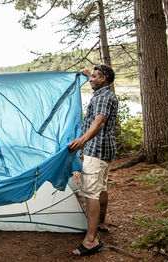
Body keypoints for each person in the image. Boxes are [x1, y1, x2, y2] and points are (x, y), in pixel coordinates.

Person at [68, 65, 118, 256]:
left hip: (96, 150)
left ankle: (91, 239)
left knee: (90, 193)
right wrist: (89, 74)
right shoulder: (106, 92)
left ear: (104, 79)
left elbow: (99, 121)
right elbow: (95, 79)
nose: (91, 79)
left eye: (95, 77)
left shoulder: (104, 97)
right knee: (102, 187)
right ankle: (101, 223)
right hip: (106, 150)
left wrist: (82, 140)